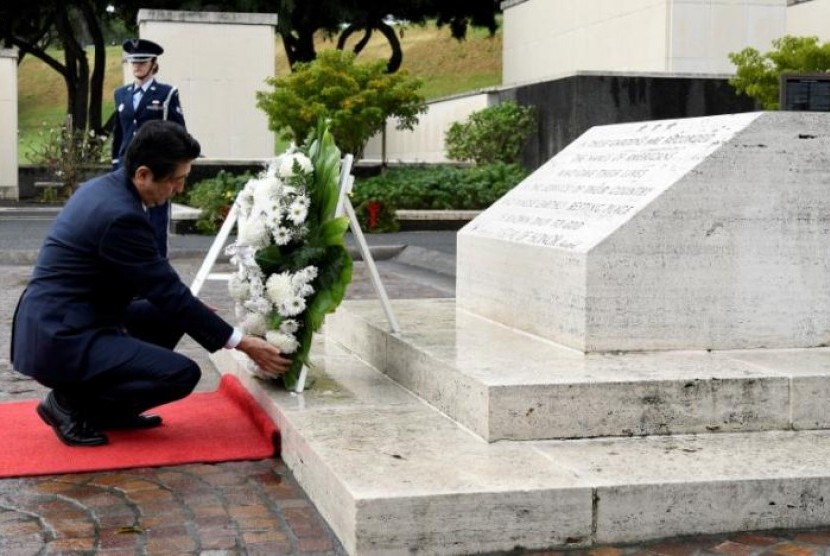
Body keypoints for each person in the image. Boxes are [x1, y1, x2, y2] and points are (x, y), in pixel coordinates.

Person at [10, 120, 291, 447]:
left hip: (66, 319)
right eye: (176, 180)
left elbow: (157, 287)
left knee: (174, 316)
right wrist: (242, 343)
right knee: (181, 374)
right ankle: (69, 404)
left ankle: (110, 412)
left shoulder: (106, 189)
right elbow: (167, 291)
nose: (180, 189)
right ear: (143, 174)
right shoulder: (120, 216)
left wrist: (195, 313)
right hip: (61, 337)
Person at [111, 38, 186, 257]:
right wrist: (115, 165)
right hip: (126, 166)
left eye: (142, 62)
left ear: (153, 63)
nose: (137, 66)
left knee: (155, 222)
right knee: (124, 219)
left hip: (155, 167)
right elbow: (119, 134)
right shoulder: (121, 94)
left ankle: (157, 266)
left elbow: (178, 131)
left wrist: (175, 169)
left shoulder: (166, 93)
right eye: (134, 62)